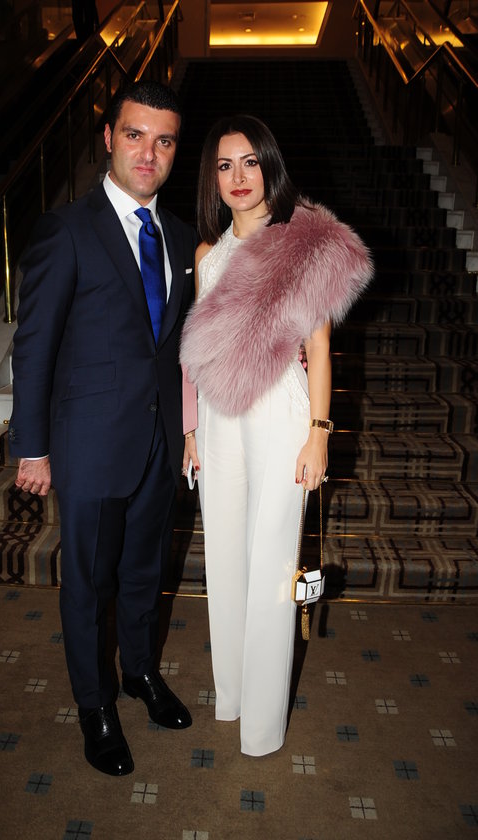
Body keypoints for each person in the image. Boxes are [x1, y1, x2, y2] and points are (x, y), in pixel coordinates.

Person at [8, 81, 197, 776]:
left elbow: (179, 346)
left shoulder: (182, 237)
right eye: (136, 135)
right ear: (110, 138)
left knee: (145, 572)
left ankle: (139, 672)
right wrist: (32, 447)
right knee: (87, 583)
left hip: (159, 441)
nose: (149, 152)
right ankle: (95, 705)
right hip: (88, 442)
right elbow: (35, 345)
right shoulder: (66, 229)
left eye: (164, 140)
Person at [180, 115, 373, 757]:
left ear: (270, 166)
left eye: (250, 162)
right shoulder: (207, 256)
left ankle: (262, 726)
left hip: (280, 411)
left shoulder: (300, 244)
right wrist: (191, 430)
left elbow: (319, 348)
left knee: (270, 566)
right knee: (225, 558)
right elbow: (196, 351)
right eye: (224, 165)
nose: (238, 177)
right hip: (217, 418)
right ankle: (232, 697)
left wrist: (318, 433)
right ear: (212, 178)